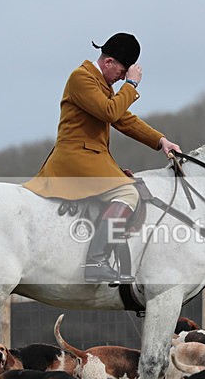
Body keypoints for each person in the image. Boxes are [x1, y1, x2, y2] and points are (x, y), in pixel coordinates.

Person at [23, 32, 181, 284]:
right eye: (120, 72)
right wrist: (132, 85)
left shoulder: (101, 84)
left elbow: (123, 118)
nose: (120, 79)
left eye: (123, 77)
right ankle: (96, 261)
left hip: (92, 157)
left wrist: (160, 140)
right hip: (75, 158)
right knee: (129, 194)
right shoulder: (81, 78)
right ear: (108, 63)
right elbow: (111, 112)